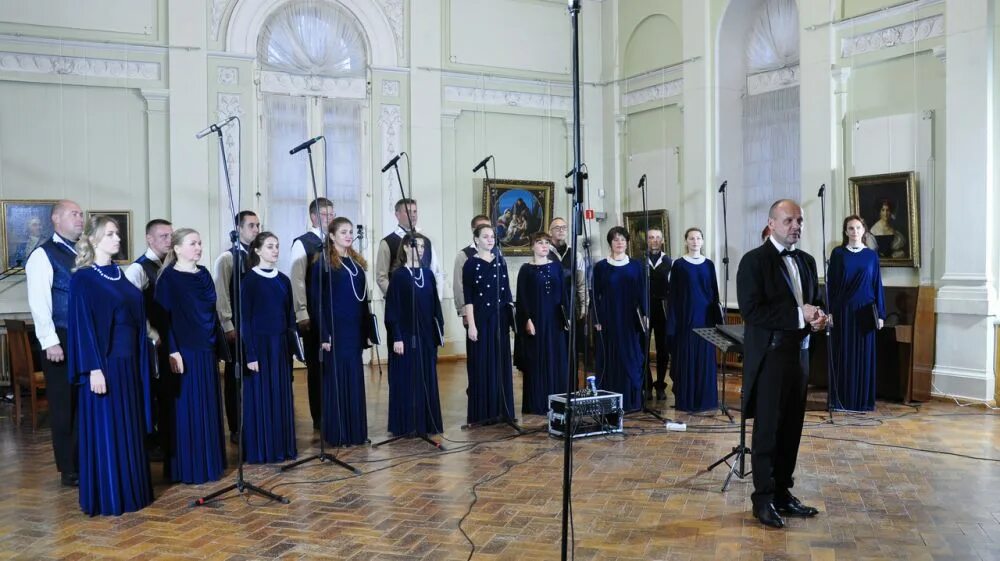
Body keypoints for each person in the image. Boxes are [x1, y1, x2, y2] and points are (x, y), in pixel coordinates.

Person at [736, 199, 826, 529]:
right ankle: (763, 499)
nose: (796, 226)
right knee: (768, 432)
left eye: (799, 220)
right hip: (771, 357)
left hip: (800, 356)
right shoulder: (753, 261)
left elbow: (812, 303)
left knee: (792, 429)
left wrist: (818, 318)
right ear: (771, 223)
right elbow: (751, 311)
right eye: (788, 220)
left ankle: (783, 494)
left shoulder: (806, 260)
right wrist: (796, 315)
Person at [67, 215, 154, 516]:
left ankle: (133, 489)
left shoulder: (119, 273)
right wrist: (93, 368)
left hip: (129, 365)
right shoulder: (83, 279)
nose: (117, 239)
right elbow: (83, 327)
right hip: (105, 366)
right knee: (107, 427)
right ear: (92, 240)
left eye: (117, 234)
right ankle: (111, 494)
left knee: (128, 426)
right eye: (110, 234)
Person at [155, 228, 227, 484]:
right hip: (183, 351)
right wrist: (174, 351)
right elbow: (164, 321)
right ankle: (188, 467)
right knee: (187, 408)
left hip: (205, 349)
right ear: (176, 248)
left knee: (207, 405)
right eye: (192, 243)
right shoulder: (168, 279)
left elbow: (211, 312)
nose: (198, 247)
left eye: (199, 242)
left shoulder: (205, 274)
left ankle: (210, 463)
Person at [25, 199, 85, 487]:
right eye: (74, 214)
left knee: (83, 401)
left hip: (83, 338)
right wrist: (50, 342)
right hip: (59, 338)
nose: (80, 218)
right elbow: (39, 302)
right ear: (56, 219)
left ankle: (85, 457)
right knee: (63, 404)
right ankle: (69, 467)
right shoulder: (43, 254)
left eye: (81, 214)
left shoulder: (83, 251)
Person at [309, 218, 370, 447]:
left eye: (350, 231)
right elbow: (318, 303)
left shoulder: (355, 262)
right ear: (332, 236)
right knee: (336, 379)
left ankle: (355, 431)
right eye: (343, 232)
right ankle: (339, 432)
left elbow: (362, 300)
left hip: (353, 331)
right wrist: (324, 334)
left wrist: (366, 331)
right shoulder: (323, 263)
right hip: (335, 331)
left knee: (354, 378)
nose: (348, 235)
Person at [240, 231, 298, 463]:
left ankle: (282, 447)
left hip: (281, 345)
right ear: (257, 250)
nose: (275, 250)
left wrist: (293, 348)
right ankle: (262, 449)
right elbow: (245, 320)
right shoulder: (249, 281)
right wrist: (250, 353)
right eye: (270, 246)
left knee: (281, 395)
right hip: (260, 346)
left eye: (277, 246)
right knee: (261, 396)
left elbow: (290, 317)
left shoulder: (283, 280)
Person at [384, 234, 445, 436]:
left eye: (421, 246)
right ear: (404, 248)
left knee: (426, 379)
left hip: (426, 336)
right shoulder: (399, 276)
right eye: (414, 245)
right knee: (409, 379)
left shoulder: (427, 275)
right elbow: (392, 310)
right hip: (406, 337)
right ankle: (408, 425)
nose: (419, 249)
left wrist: (438, 333)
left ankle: (427, 422)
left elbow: (436, 307)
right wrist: (397, 336)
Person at [125, 219, 173, 460]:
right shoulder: (138, 269)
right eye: (163, 236)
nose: (169, 240)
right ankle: (151, 441)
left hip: (171, 340)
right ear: (149, 239)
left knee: (169, 392)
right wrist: (151, 334)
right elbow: (132, 308)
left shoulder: (172, 265)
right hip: (152, 343)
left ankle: (168, 438)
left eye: (170, 236)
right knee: (154, 392)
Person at [827, 215, 885, 412]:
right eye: (850, 228)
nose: (854, 232)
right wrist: (829, 312)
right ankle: (840, 401)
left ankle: (862, 402)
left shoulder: (871, 256)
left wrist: (881, 314)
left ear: (864, 230)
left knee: (863, 356)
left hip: (865, 313)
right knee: (842, 355)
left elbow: (877, 285)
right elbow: (831, 285)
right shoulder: (838, 254)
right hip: (842, 312)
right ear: (845, 232)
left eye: (858, 228)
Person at [213, 210, 260, 444]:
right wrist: (228, 324)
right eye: (251, 226)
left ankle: (254, 420)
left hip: (256, 327)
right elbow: (221, 294)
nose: (256, 230)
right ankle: (236, 427)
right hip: (237, 327)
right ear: (238, 229)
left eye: (258, 225)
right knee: (235, 378)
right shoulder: (228, 258)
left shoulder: (258, 255)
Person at [289, 197, 336, 430]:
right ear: (314, 217)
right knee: (317, 367)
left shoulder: (335, 242)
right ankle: (319, 416)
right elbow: (297, 280)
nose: (330, 219)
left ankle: (336, 409)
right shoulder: (302, 243)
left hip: (335, 315)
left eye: (332, 215)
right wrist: (302, 313)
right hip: (313, 315)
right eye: (326, 215)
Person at [463, 224, 515, 424]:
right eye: (485, 237)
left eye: (492, 237)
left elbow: (506, 292)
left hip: (499, 318)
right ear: (476, 240)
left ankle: (501, 410)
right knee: (482, 364)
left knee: (500, 363)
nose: (490, 240)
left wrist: (510, 320)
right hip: (481, 319)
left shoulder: (500, 261)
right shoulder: (470, 264)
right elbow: (469, 297)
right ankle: (483, 412)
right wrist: (472, 325)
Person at [666, 227, 722, 412]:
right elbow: (673, 295)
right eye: (691, 238)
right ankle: (687, 400)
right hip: (686, 319)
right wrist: (673, 322)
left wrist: (717, 320)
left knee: (705, 359)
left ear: (703, 241)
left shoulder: (709, 264)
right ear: (686, 241)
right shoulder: (679, 265)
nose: (695, 241)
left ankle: (706, 400)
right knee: (687, 358)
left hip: (706, 319)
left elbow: (714, 293)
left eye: (698, 238)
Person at [592, 226, 647, 412]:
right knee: (610, 356)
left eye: (622, 239)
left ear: (627, 242)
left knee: (631, 357)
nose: (619, 243)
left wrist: (645, 315)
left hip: (630, 319)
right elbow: (595, 296)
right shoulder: (601, 267)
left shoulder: (636, 265)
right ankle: (609, 402)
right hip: (608, 318)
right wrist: (596, 319)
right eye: (616, 240)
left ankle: (631, 401)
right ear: (610, 243)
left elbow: (642, 293)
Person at [516, 232, 567, 415]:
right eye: (539, 242)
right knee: (537, 360)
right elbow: (522, 298)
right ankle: (537, 403)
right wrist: (527, 319)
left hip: (555, 321)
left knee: (556, 358)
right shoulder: (526, 269)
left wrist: (565, 317)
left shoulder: (557, 267)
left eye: (546, 243)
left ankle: (557, 401)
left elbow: (563, 295)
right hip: (536, 321)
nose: (544, 246)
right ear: (532, 246)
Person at [375, 198, 444, 299]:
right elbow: (382, 277)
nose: (413, 215)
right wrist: (396, 297)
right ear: (397, 215)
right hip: (400, 302)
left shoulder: (426, 241)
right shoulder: (387, 242)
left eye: (415, 211)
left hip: (425, 299)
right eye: (408, 211)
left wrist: (437, 299)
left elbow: (435, 271)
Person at [547, 217, 588, 360]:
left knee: (571, 349)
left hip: (571, 306)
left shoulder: (576, 254)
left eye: (564, 227)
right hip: (549, 307)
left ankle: (572, 381)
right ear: (549, 232)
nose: (561, 230)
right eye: (557, 228)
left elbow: (581, 283)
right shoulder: (544, 252)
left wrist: (584, 306)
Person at [645, 228, 673, 401]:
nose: (654, 240)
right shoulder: (639, 261)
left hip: (663, 309)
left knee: (663, 350)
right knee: (643, 349)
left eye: (657, 238)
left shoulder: (669, 261)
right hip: (646, 309)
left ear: (662, 240)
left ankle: (661, 385)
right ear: (646, 240)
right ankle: (646, 385)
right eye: (651, 237)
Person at [453, 215, 492, 321]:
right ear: (474, 231)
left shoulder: (496, 253)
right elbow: (459, 284)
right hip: (474, 310)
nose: (486, 230)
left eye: (488, 227)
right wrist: (464, 312)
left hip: (494, 310)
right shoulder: (464, 254)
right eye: (481, 227)